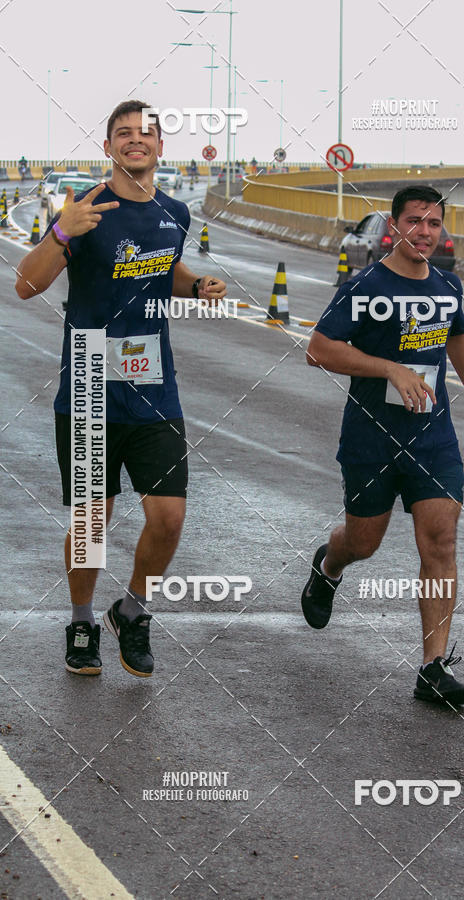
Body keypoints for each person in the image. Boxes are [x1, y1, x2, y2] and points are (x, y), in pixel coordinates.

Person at [15, 100, 226, 678]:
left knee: (169, 516)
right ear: (107, 147)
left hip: (154, 387)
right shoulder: (85, 209)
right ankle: (82, 620)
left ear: (161, 148)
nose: (137, 141)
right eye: (124, 134)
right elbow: (26, 286)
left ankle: (131, 611)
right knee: (92, 521)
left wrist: (195, 284)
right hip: (87, 385)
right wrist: (62, 231)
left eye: (147, 134)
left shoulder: (174, 212)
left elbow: (167, 269)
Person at [301, 185, 464, 708]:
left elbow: (458, 334)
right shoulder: (365, 285)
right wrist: (388, 367)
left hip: (433, 438)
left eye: (433, 224)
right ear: (394, 225)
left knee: (440, 542)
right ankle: (329, 565)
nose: (424, 233)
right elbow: (318, 350)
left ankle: (432, 667)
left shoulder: (447, 286)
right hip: (371, 437)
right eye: (415, 222)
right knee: (364, 543)